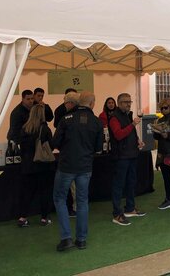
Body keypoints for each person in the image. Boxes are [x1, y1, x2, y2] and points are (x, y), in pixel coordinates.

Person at [51, 92, 103, 252]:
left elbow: (55, 142)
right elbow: (99, 148)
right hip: (85, 167)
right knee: (82, 201)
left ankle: (66, 238)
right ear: (92, 103)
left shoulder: (66, 119)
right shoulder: (96, 122)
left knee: (59, 199)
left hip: (66, 165)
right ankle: (81, 240)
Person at [109, 93, 146, 227]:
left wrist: (138, 141)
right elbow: (118, 135)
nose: (128, 104)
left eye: (129, 102)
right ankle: (117, 213)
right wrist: (132, 124)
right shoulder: (114, 117)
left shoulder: (127, 115)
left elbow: (131, 133)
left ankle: (130, 208)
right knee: (118, 185)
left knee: (131, 182)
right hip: (121, 157)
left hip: (132, 154)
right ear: (119, 103)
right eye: (125, 102)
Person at [18, 104, 55, 227]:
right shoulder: (45, 129)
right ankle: (44, 218)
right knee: (44, 192)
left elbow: (21, 148)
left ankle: (23, 217)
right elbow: (51, 145)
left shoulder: (24, 128)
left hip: (27, 166)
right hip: (42, 165)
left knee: (27, 192)